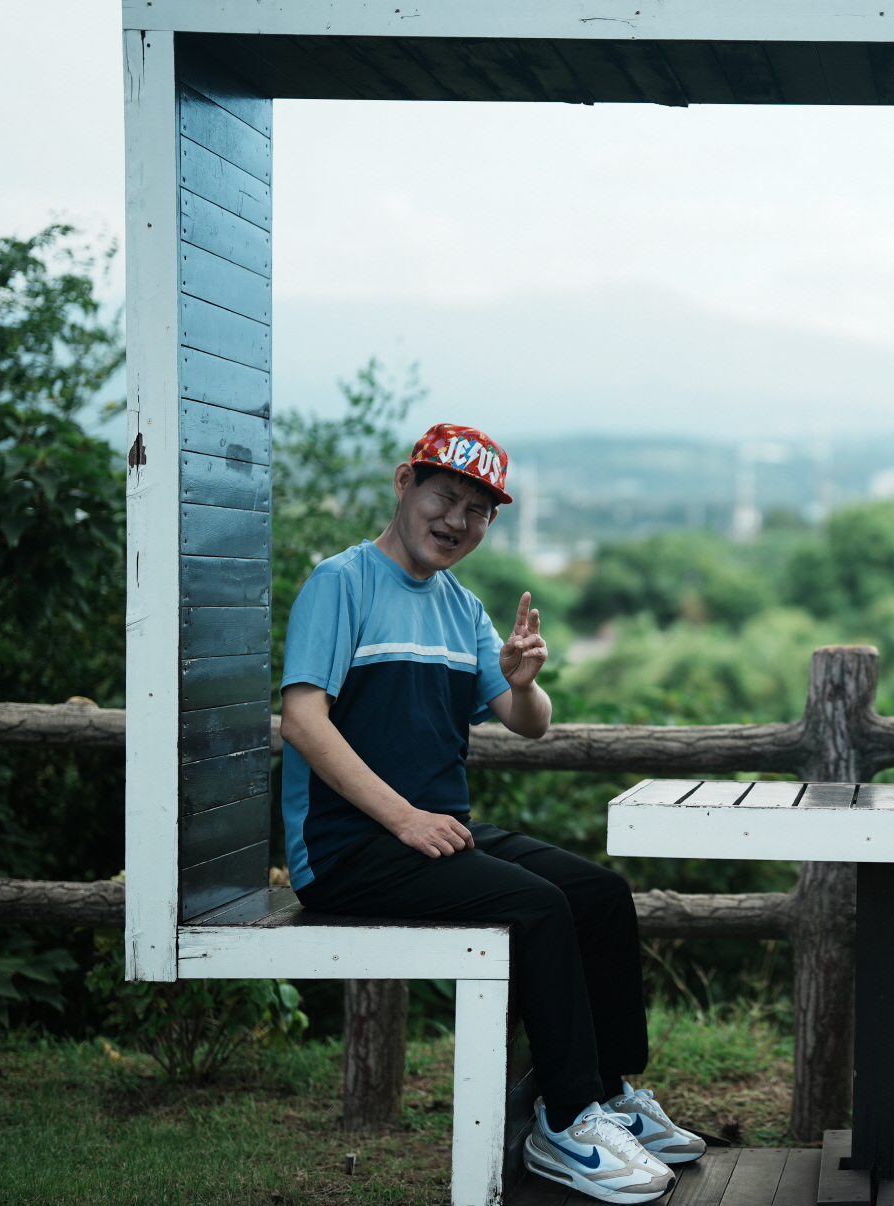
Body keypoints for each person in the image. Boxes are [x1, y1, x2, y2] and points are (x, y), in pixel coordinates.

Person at [278, 423, 704, 1204]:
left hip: (436, 837)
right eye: (444, 497)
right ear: (404, 483)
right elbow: (303, 721)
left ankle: (606, 1094)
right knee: (537, 906)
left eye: (476, 511)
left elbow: (527, 722)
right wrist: (403, 818)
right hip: (348, 850)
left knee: (599, 895)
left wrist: (523, 681)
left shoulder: (462, 606)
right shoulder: (340, 583)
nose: (456, 520)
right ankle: (565, 1123)